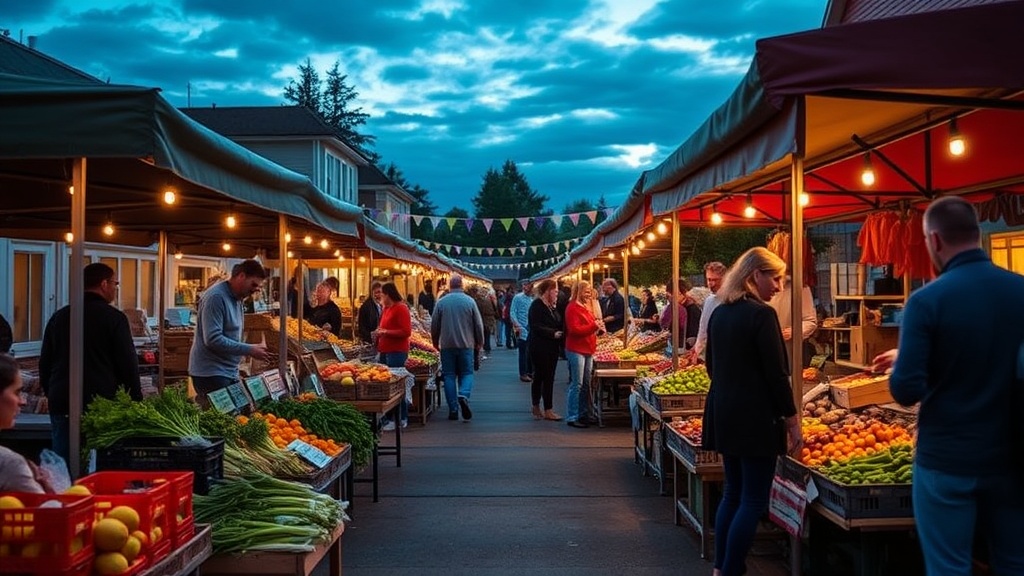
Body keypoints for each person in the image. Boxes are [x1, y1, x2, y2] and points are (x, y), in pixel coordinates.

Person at [871, 197, 1024, 576]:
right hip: (1013, 457)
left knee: (949, 567)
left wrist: (904, 364)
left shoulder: (926, 301)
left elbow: (906, 389)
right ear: (976, 234)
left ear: (934, 241)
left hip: (947, 459)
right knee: (1014, 562)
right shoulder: (1019, 291)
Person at [702, 247, 801, 576]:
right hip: (756, 419)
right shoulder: (761, 315)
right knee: (753, 499)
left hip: (725, 414)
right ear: (753, 275)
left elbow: (711, 367)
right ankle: (730, 570)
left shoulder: (720, 312)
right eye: (775, 278)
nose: (778, 286)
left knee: (733, 492)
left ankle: (721, 567)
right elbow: (776, 375)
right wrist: (792, 421)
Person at [39, 262, 143, 463]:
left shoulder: (60, 317)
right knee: (100, 463)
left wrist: (51, 391)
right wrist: (135, 401)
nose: (115, 288)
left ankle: (64, 494)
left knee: (64, 464)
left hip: (63, 400)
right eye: (115, 283)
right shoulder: (114, 318)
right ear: (104, 284)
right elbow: (128, 365)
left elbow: (46, 362)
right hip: (102, 405)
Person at [188, 260, 272, 408]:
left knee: (243, 414)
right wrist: (249, 349)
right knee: (224, 423)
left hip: (228, 371)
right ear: (241, 276)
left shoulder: (238, 299)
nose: (256, 290)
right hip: (211, 373)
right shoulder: (216, 298)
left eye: (258, 286)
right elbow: (213, 339)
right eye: (253, 284)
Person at [430, 275, 484, 421]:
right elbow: (478, 325)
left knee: (449, 376)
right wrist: (480, 342)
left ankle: (453, 409)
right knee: (467, 373)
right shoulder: (470, 301)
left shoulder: (441, 303)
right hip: (466, 344)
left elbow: (434, 325)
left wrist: (435, 342)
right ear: (462, 285)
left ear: (449, 286)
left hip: (447, 345)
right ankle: (464, 394)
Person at [0, 353, 51, 492]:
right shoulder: (9, 464)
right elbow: (50, 510)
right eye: (16, 392)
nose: (23, 401)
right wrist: (47, 487)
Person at [564, 280, 603, 428]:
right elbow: (574, 330)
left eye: (589, 291)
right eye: (586, 291)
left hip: (588, 349)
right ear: (579, 292)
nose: (588, 294)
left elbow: (591, 325)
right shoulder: (572, 308)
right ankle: (572, 416)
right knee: (577, 384)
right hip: (576, 349)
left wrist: (597, 328)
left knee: (586, 384)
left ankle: (585, 413)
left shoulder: (586, 307)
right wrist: (593, 326)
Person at [375, 282, 412, 431]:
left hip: (397, 352)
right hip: (384, 351)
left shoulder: (401, 308)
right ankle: (390, 417)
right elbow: (383, 326)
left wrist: (385, 333)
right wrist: (378, 333)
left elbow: (406, 331)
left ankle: (400, 417)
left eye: (382, 294)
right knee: (388, 387)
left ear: (388, 294)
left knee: (397, 386)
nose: (380, 297)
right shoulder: (386, 309)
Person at [527, 279, 563, 421]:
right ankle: (540, 407)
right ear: (547, 291)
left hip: (552, 347)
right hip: (539, 346)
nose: (556, 294)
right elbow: (535, 325)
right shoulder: (537, 305)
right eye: (554, 291)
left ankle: (546, 408)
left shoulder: (552, 306)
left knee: (548, 377)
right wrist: (552, 333)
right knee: (541, 376)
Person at [693, 261, 727, 360]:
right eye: (709, 279)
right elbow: (703, 328)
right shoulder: (709, 301)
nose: (711, 284)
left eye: (715, 280)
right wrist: (697, 349)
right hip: (708, 354)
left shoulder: (731, 300)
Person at [510, 281, 534, 382]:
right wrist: (517, 325)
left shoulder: (533, 299)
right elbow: (512, 312)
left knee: (531, 352)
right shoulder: (518, 298)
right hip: (522, 328)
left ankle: (530, 371)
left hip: (532, 328)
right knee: (523, 352)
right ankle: (523, 373)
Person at [659, 278, 690, 351]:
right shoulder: (677, 308)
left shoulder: (677, 308)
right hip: (674, 345)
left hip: (675, 346)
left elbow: (665, 326)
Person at [469, 285, 496, 358]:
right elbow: (494, 309)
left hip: (481, 319)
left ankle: (482, 348)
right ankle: (487, 347)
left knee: (481, 335)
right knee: (487, 335)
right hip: (488, 320)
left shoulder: (476, 301)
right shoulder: (489, 300)